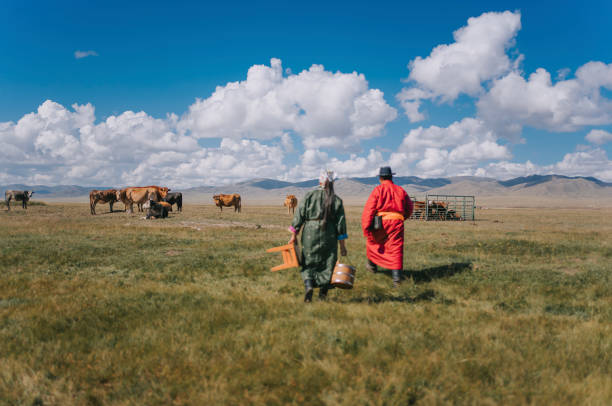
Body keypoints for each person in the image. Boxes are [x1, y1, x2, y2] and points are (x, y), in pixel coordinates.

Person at [288, 170, 348, 302]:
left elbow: (299, 216)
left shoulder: (309, 195)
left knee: (308, 260)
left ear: (320, 180)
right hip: (329, 233)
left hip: (310, 232)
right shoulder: (336, 200)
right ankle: (322, 295)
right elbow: (340, 224)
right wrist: (342, 246)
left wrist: (294, 235)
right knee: (328, 262)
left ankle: (309, 286)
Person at [361, 166, 413, 286]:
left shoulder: (378, 190)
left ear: (380, 178)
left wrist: (366, 227)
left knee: (373, 242)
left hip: (381, 223)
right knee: (396, 248)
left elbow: (369, 209)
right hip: (397, 222)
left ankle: (372, 267)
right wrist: (401, 217)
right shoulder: (400, 190)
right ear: (391, 177)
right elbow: (409, 207)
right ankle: (397, 280)